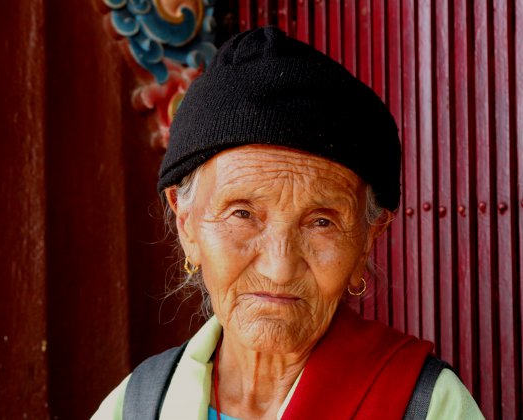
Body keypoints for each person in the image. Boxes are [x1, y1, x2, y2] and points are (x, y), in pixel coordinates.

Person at [92, 26, 483, 419]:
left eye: (321, 223)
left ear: (367, 237)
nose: (279, 270)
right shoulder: (136, 406)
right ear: (186, 223)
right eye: (242, 214)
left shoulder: (426, 406)